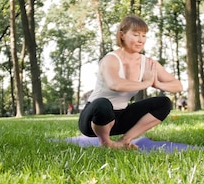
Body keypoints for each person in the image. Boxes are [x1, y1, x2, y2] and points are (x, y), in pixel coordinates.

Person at [78, 15, 183, 149]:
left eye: (144, 36)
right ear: (122, 35)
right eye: (136, 35)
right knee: (102, 103)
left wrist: (157, 84)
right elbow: (115, 85)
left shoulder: (147, 62)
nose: (141, 40)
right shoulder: (111, 59)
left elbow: (178, 86)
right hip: (94, 119)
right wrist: (146, 83)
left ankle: (125, 140)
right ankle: (106, 143)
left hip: (121, 118)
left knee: (164, 102)